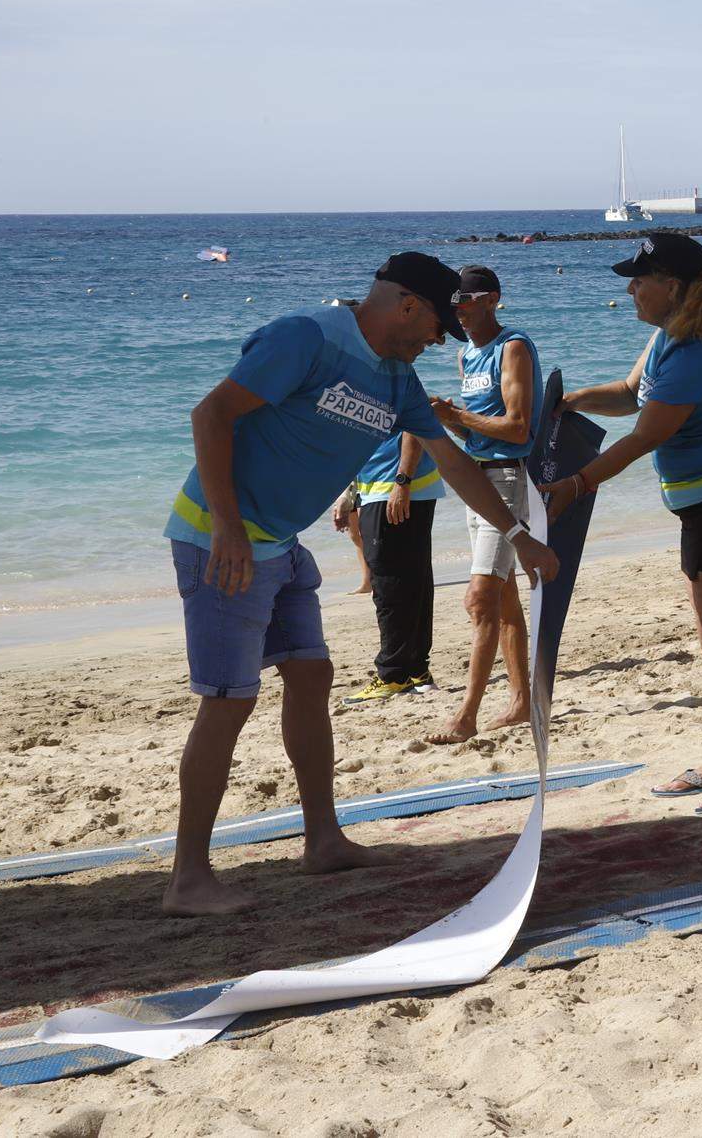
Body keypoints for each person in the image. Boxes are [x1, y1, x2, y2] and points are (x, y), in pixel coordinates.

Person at [161, 253, 559, 916]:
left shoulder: (397, 379)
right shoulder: (306, 338)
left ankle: (322, 840)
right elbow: (212, 415)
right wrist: (229, 528)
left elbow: (453, 462)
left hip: (281, 547)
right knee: (228, 702)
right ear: (406, 303)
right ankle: (187, 878)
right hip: (219, 539)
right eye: (436, 327)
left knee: (311, 676)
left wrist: (519, 537)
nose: (437, 343)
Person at [544, 232, 702, 815]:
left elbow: (646, 435)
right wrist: (572, 401)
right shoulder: (669, 338)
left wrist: (577, 483)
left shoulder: (698, 350)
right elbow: (632, 395)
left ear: (675, 286)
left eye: (640, 278)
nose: (631, 288)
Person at [425, 266, 541, 745]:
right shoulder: (465, 354)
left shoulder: (511, 346)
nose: (459, 309)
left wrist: (457, 415)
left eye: (466, 300)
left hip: (509, 480)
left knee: (479, 598)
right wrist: (446, 422)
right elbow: (474, 430)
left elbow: (517, 428)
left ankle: (467, 714)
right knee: (504, 598)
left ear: (492, 298)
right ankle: (519, 701)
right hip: (476, 480)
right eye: (453, 302)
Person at [339, 430, 443, 701]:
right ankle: (417, 670)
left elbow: (414, 425)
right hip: (389, 486)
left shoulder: (388, 385)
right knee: (414, 580)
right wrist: (351, 493)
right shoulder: (363, 387)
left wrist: (402, 481)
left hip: (394, 487)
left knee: (388, 584)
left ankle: (393, 674)